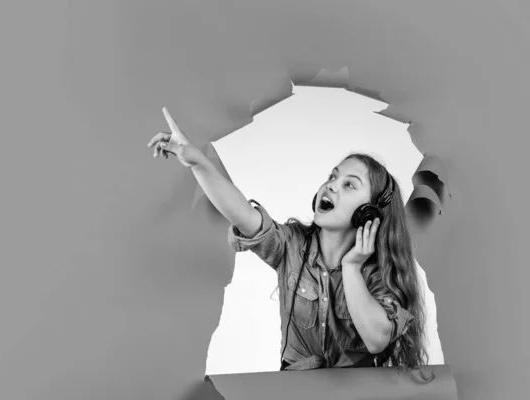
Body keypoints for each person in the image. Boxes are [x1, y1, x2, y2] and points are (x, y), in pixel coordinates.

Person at [148, 107, 429, 373]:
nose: (331, 184)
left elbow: (377, 339)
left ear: (368, 214)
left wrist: (352, 268)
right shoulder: (292, 247)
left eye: (349, 184)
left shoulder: (379, 273)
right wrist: (196, 161)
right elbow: (244, 215)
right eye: (333, 176)